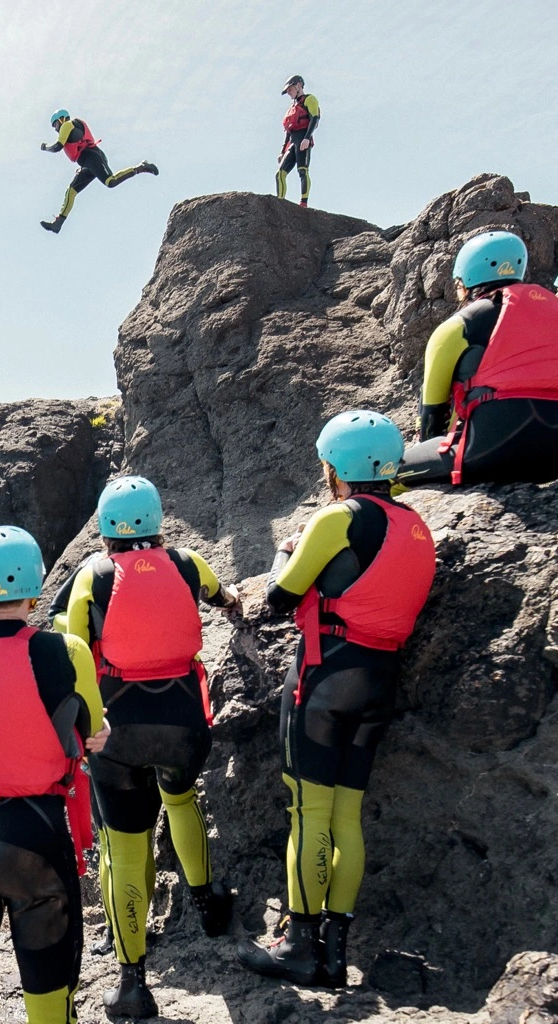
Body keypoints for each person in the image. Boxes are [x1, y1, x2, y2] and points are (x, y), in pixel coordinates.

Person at [238, 411, 436, 988]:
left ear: (336, 468)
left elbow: (280, 597)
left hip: (327, 676)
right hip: (381, 678)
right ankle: (333, 950)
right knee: (347, 814)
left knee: (309, 811)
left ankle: (298, 944)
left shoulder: (339, 517)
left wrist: (287, 551)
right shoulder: (416, 525)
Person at [62, 476, 239, 1019]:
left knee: (124, 846)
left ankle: (132, 980)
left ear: (104, 528)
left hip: (116, 733)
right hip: (185, 723)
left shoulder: (92, 574)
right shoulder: (188, 563)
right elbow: (225, 597)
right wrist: (234, 604)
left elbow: (70, 650)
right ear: (158, 521)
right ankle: (208, 908)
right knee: (182, 802)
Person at [0, 525, 110, 1024]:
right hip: (36, 837)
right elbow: (93, 731)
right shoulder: (67, 650)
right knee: (49, 998)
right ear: (34, 586)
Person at [398, 230, 558, 488]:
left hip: (490, 453)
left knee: (380, 475)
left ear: (464, 280)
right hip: (554, 457)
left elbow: (431, 417)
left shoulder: (458, 327)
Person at [39, 109, 158, 234]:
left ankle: (141, 167)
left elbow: (57, 147)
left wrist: (45, 147)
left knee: (110, 182)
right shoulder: (69, 127)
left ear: (62, 119)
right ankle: (58, 223)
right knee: (71, 192)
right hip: (87, 163)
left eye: (56, 124)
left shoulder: (67, 125)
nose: (56, 129)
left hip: (93, 157)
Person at [276, 75, 320, 208]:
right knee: (280, 174)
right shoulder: (292, 108)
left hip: (303, 139)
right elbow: (288, 131)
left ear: (299, 85)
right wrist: (283, 151)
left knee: (302, 170)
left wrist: (307, 137)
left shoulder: (310, 99)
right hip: (293, 142)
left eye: (290, 89)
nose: (289, 93)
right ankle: (280, 202)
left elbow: (315, 118)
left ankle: (303, 202)